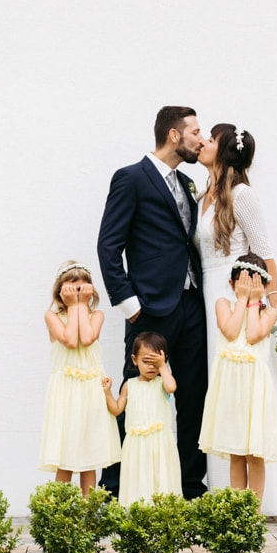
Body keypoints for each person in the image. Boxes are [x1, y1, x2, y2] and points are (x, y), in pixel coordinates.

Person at [96, 105, 208, 500]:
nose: (201, 138)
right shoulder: (131, 178)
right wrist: (129, 304)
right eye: (195, 131)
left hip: (191, 303)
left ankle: (191, 487)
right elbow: (109, 245)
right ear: (174, 135)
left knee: (194, 394)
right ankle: (114, 488)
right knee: (136, 395)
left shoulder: (188, 183)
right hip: (149, 309)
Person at [193, 123, 277, 516]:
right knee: (223, 384)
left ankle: (261, 500)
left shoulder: (242, 195)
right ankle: (227, 494)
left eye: (209, 139)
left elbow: (264, 249)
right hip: (211, 294)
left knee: (250, 386)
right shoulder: (205, 194)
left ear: (224, 151)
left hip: (239, 291)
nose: (201, 142)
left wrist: (272, 301)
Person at [199, 253, 277, 500]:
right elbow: (230, 329)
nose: (247, 287)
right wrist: (241, 300)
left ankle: (254, 511)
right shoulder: (223, 304)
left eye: (253, 283)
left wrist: (254, 302)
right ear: (231, 283)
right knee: (236, 450)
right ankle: (239, 507)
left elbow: (253, 334)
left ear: (264, 285)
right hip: (230, 386)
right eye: (242, 282)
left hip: (254, 387)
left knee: (254, 452)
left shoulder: (268, 313)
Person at [37, 260, 121, 495]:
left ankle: (88, 515)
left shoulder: (97, 315)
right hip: (67, 390)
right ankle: (58, 515)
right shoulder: (52, 316)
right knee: (66, 455)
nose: (77, 292)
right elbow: (71, 340)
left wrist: (81, 306)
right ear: (60, 290)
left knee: (89, 455)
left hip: (90, 390)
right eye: (71, 287)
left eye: (82, 288)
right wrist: (74, 307)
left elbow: (87, 338)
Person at [102, 332, 182, 505]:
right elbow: (116, 409)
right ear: (134, 359)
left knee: (161, 478)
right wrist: (107, 393)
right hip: (136, 445)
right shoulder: (129, 385)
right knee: (138, 479)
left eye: (156, 363)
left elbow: (172, 386)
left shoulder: (162, 383)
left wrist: (163, 367)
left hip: (159, 443)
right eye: (146, 361)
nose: (151, 367)